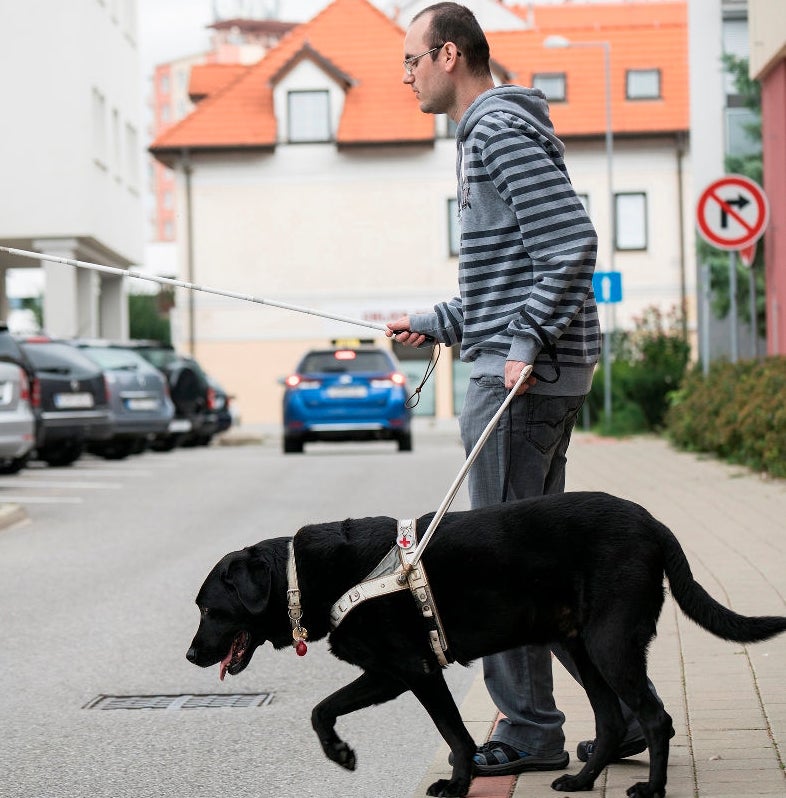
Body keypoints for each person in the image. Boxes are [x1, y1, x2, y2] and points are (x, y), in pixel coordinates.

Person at [388, 1, 662, 778]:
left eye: (411, 60)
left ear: (448, 55)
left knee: (497, 566)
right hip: (534, 372)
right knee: (541, 566)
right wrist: (440, 321)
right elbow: (510, 276)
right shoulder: (491, 134)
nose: (405, 76)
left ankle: (531, 729)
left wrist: (521, 342)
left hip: (521, 383)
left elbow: (572, 244)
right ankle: (632, 715)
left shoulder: (497, 131)